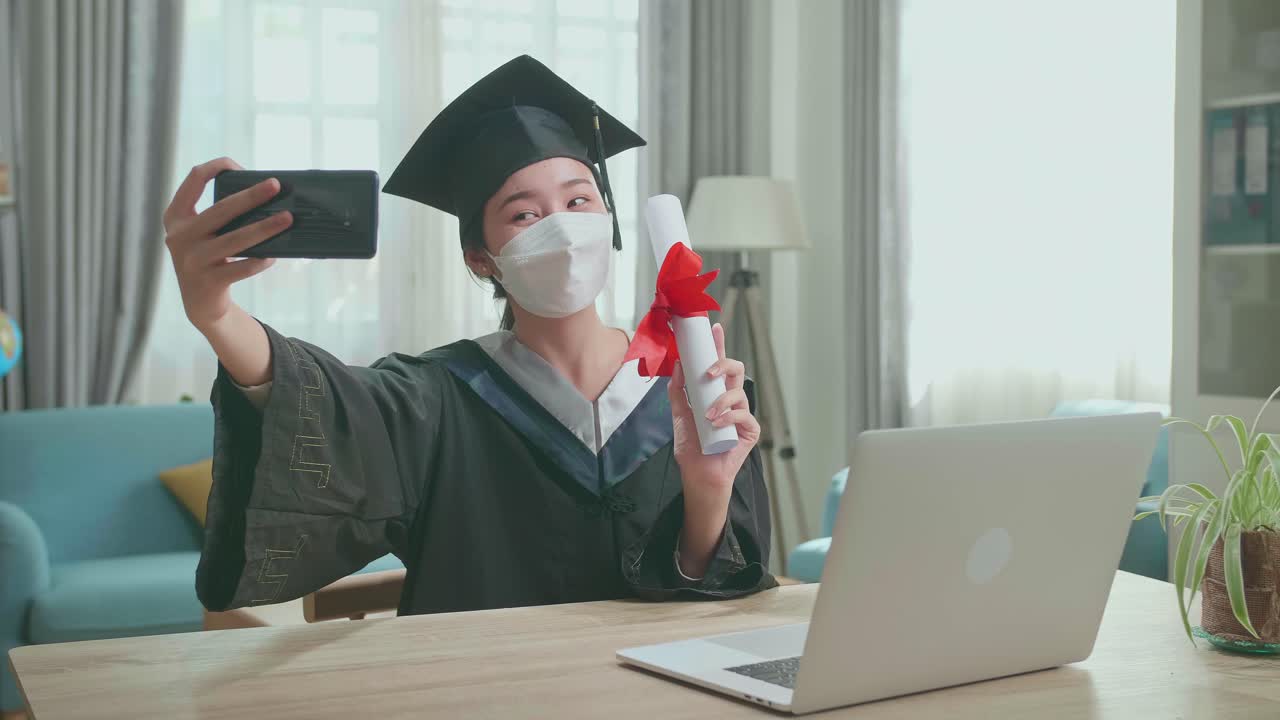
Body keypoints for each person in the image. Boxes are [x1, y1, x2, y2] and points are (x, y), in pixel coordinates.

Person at [163, 55, 776, 616]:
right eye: (524, 214)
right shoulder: (436, 397)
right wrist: (216, 315)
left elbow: (709, 592)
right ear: (481, 257)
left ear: (609, 219)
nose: (561, 229)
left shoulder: (690, 391)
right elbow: (320, 401)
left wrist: (707, 485)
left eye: (579, 200)